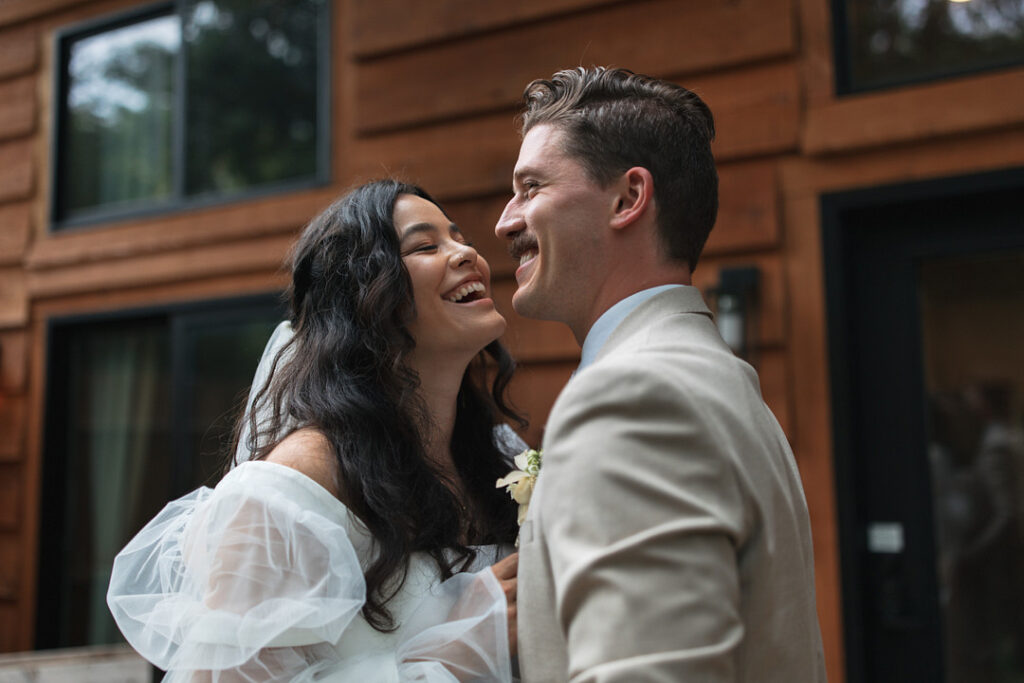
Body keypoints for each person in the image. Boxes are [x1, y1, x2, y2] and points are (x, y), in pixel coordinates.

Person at [108, 179, 527, 682]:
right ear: (365, 302)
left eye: (459, 237)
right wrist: (451, 658)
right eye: (425, 246)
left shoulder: (502, 456)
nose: (467, 253)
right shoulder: (289, 490)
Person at [495, 67, 826, 682]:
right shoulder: (718, 379)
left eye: (531, 187)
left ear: (628, 198)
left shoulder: (634, 396)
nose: (505, 221)